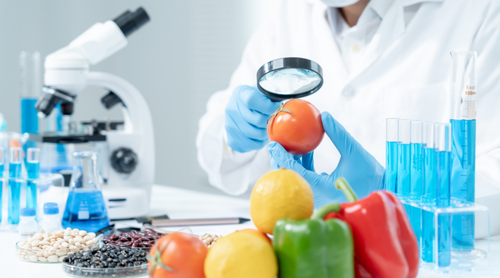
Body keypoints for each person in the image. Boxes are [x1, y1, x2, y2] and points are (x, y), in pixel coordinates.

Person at [196, 0, 500, 234]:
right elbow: (218, 155)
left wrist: (392, 195)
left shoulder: (481, 12)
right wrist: (234, 135)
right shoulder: (291, 12)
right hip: (314, 251)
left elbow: (494, 173)